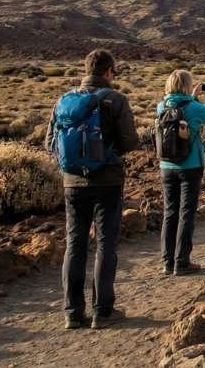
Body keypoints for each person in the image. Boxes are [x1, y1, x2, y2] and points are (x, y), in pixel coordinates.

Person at [45, 49, 140, 330]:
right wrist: (106, 155)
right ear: (109, 71)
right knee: (106, 244)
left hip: (72, 184)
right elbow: (130, 142)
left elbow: (50, 142)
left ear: (86, 70)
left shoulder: (64, 100)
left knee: (75, 245)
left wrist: (76, 161)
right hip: (108, 182)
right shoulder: (116, 99)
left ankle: (72, 312)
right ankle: (103, 311)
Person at [156, 70, 205, 277]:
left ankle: (167, 262)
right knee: (186, 214)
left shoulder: (161, 106)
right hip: (190, 166)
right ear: (188, 85)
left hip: (167, 167)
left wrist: (192, 97)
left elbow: (180, 110)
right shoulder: (194, 107)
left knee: (170, 213)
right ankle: (182, 262)